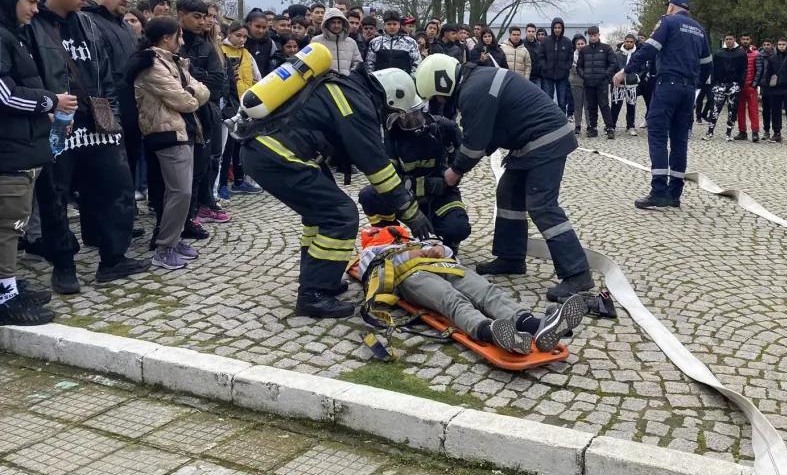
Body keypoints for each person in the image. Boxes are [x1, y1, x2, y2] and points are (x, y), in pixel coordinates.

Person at [237, 50, 433, 318]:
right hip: (276, 154)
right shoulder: (356, 103)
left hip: (265, 149)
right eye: (394, 112)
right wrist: (412, 213)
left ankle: (319, 280)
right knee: (340, 214)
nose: (392, 119)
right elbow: (377, 167)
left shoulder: (346, 89)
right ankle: (313, 295)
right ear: (391, 97)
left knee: (320, 215)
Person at [415, 54, 594, 302]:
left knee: (542, 205)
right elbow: (490, 133)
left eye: (438, 96)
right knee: (508, 192)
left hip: (545, 140)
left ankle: (577, 274)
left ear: (442, 82)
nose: (440, 101)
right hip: (530, 141)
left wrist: (452, 174)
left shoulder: (472, 90)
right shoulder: (476, 81)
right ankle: (511, 257)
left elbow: (475, 145)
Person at [29, 0, 150, 292]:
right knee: (55, 195)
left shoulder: (90, 25)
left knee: (116, 189)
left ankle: (113, 259)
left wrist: (111, 115)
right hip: (56, 127)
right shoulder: (32, 24)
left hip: (98, 123)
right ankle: (64, 265)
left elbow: (106, 72)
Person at [351, 225, 587, 354]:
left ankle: (535, 326)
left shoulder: (417, 240)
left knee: (487, 292)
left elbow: (449, 252)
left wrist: (437, 250)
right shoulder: (371, 253)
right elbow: (374, 276)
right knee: (451, 299)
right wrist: (409, 255)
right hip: (412, 275)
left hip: (444, 266)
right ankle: (490, 332)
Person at [0, 0, 71, 325]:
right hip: (8, 152)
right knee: (5, 227)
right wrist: (50, 101)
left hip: (20, 147)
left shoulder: (14, 36)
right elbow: (5, 94)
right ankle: (4, 299)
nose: (35, 8)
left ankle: (9, 286)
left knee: (12, 225)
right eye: (29, 1)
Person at [614, 0, 711, 209]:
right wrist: (697, 85)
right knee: (680, 140)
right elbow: (707, 65)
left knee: (657, 135)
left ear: (672, 7)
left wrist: (625, 70)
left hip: (668, 85)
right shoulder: (699, 29)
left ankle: (658, 191)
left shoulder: (668, 22)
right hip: (688, 90)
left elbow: (648, 49)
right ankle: (674, 194)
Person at [358, 69, 470, 253]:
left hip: (440, 194)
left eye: (416, 114)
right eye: (406, 118)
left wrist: (450, 178)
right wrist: (423, 185)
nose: (413, 122)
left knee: (458, 228)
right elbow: (391, 179)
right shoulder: (392, 137)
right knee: (369, 195)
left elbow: (461, 162)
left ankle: (450, 243)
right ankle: (391, 236)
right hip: (406, 194)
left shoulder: (444, 128)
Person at [129, 17, 210, 270]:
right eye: (179, 36)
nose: (183, 41)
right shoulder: (151, 64)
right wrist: (193, 94)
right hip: (166, 134)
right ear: (166, 38)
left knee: (181, 192)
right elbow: (184, 100)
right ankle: (164, 248)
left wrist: (192, 93)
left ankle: (173, 241)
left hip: (183, 131)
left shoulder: (173, 61)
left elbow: (200, 89)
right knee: (179, 192)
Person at [178, 0, 232, 237]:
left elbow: (217, 84)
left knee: (203, 164)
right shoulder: (171, 42)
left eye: (206, 17)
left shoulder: (206, 48)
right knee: (179, 171)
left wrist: (188, 73)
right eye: (197, 17)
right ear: (180, 14)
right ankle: (177, 219)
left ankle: (196, 211)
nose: (203, 23)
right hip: (175, 116)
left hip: (205, 113)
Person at [84, 0, 142, 189]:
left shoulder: (125, 27)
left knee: (130, 158)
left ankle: (127, 208)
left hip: (131, 102)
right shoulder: (87, 22)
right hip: (105, 105)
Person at [219, 22, 259, 200]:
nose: (241, 39)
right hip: (229, 104)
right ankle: (221, 185)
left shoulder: (247, 53)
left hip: (245, 103)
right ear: (229, 34)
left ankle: (240, 179)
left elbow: (257, 75)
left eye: (244, 36)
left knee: (240, 144)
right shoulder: (221, 51)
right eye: (238, 35)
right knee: (226, 148)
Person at [702, 33, 746, 141]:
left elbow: (744, 70)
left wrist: (740, 84)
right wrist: (713, 84)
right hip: (720, 84)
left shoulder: (741, 53)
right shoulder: (718, 53)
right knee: (715, 109)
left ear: (734, 39)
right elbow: (713, 69)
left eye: (731, 39)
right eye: (727, 39)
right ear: (724, 40)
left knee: (732, 110)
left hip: (734, 85)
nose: (729, 41)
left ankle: (728, 133)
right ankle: (709, 132)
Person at [577, 26, 617, 139]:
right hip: (589, 83)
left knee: (604, 105)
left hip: (602, 83)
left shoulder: (606, 48)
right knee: (591, 106)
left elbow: (613, 64)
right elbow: (579, 66)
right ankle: (593, 128)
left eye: (595, 35)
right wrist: (584, 75)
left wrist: (605, 74)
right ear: (588, 36)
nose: (593, 37)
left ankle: (609, 128)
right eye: (591, 35)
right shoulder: (584, 50)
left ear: (599, 35)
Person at [763, 37, 787, 144]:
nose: (781, 46)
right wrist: (770, 87)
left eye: (783, 44)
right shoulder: (772, 58)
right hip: (775, 90)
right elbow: (768, 74)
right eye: (779, 44)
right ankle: (777, 133)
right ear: (777, 45)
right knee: (775, 112)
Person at [311, 7, 361, 75]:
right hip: (325, 83)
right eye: (333, 22)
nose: (336, 25)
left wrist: (351, 77)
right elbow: (311, 64)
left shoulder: (351, 42)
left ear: (343, 24)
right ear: (327, 23)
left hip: (346, 83)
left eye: (339, 22)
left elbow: (358, 64)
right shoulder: (316, 41)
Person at [540, 18, 573, 115]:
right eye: (555, 27)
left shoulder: (567, 41)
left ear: (562, 28)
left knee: (562, 102)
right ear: (552, 28)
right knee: (548, 101)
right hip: (548, 76)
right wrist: (545, 67)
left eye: (559, 27)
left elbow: (570, 58)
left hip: (562, 77)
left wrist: (566, 68)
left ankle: (562, 123)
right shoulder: (545, 41)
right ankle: (548, 122)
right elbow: (541, 56)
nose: (557, 29)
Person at [734, 33, 762, 142]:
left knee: (753, 110)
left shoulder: (756, 54)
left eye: (747, 39)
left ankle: (755, 133)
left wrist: (754, 84)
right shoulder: (737, 53)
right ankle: (742, 132)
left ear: (750, 40)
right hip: (740, 86)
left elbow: (759, 70)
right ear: (740, 40)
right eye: (743, 39)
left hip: (751, 86)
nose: (745, 41)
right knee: (740, 110)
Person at [612, 33, 640, 136]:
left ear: (634, 42)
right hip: (619, 85)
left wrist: (636, 76)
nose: (629, 43)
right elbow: (613, 66)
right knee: (615, 105)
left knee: (631, 106)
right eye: (627, 41)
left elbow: (643, 68)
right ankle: (612, 126)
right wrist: (614, 77)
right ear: (624, 41)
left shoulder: (638, 54)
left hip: (632, 85)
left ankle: (630, 126)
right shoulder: (617, 54)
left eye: (631, 42)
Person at [244, 9, 277, 77]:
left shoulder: (270, 43)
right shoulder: (240, 41)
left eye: (264, 27)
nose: (261, 30)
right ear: (249, 24)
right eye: (257, 26)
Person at [569, 34, 587, 135]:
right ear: (575, 45)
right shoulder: (572, 56)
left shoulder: (589, 54)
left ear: (585, 44)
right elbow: (572, 70)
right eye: (578, 44)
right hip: (575, 83)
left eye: (582, 43)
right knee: (577, 106)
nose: (580, 45)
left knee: (588, 106)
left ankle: (590, 125)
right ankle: (577, 125)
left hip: (588, 83)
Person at [759, 39, 775, 142]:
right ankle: (766, 130)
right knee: (766, 110)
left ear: (772, 45)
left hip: (775, 86)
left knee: (775, 110)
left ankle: (776, 131)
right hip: (764, 85)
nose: (766, 46)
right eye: (764, 44)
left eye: (768, 44)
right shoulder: (760, 56)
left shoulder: (776, 55)